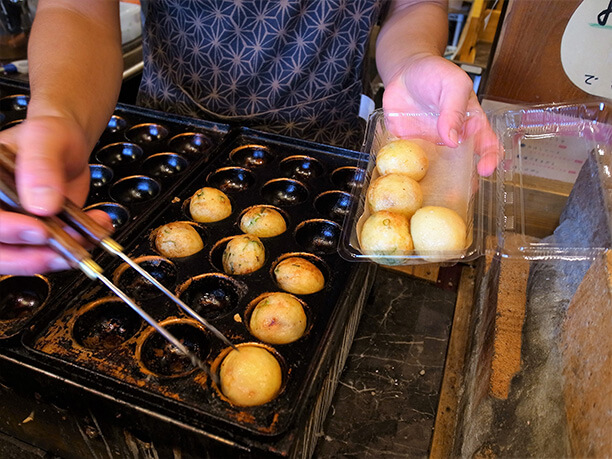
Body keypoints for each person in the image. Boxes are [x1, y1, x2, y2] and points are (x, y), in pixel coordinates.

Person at [0, 0, 499, 275]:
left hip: (324, 158)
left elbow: (413, 4)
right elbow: (81, 9)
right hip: (172, 148)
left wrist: (412, 60)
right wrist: (61, 113)